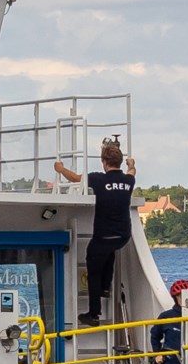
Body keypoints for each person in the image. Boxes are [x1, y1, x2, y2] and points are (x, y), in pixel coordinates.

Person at [56, 137, 138, 323]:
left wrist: (60, 169)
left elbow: (76, 179)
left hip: (104, 236)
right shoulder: (128, 181)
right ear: (119, 162)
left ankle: (94, 313)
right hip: (123, 235)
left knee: (93, 269)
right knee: (110, 251)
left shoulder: (98, 179)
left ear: (104, 162)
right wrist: (131, 164)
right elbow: (132, 172)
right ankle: (106, 287)